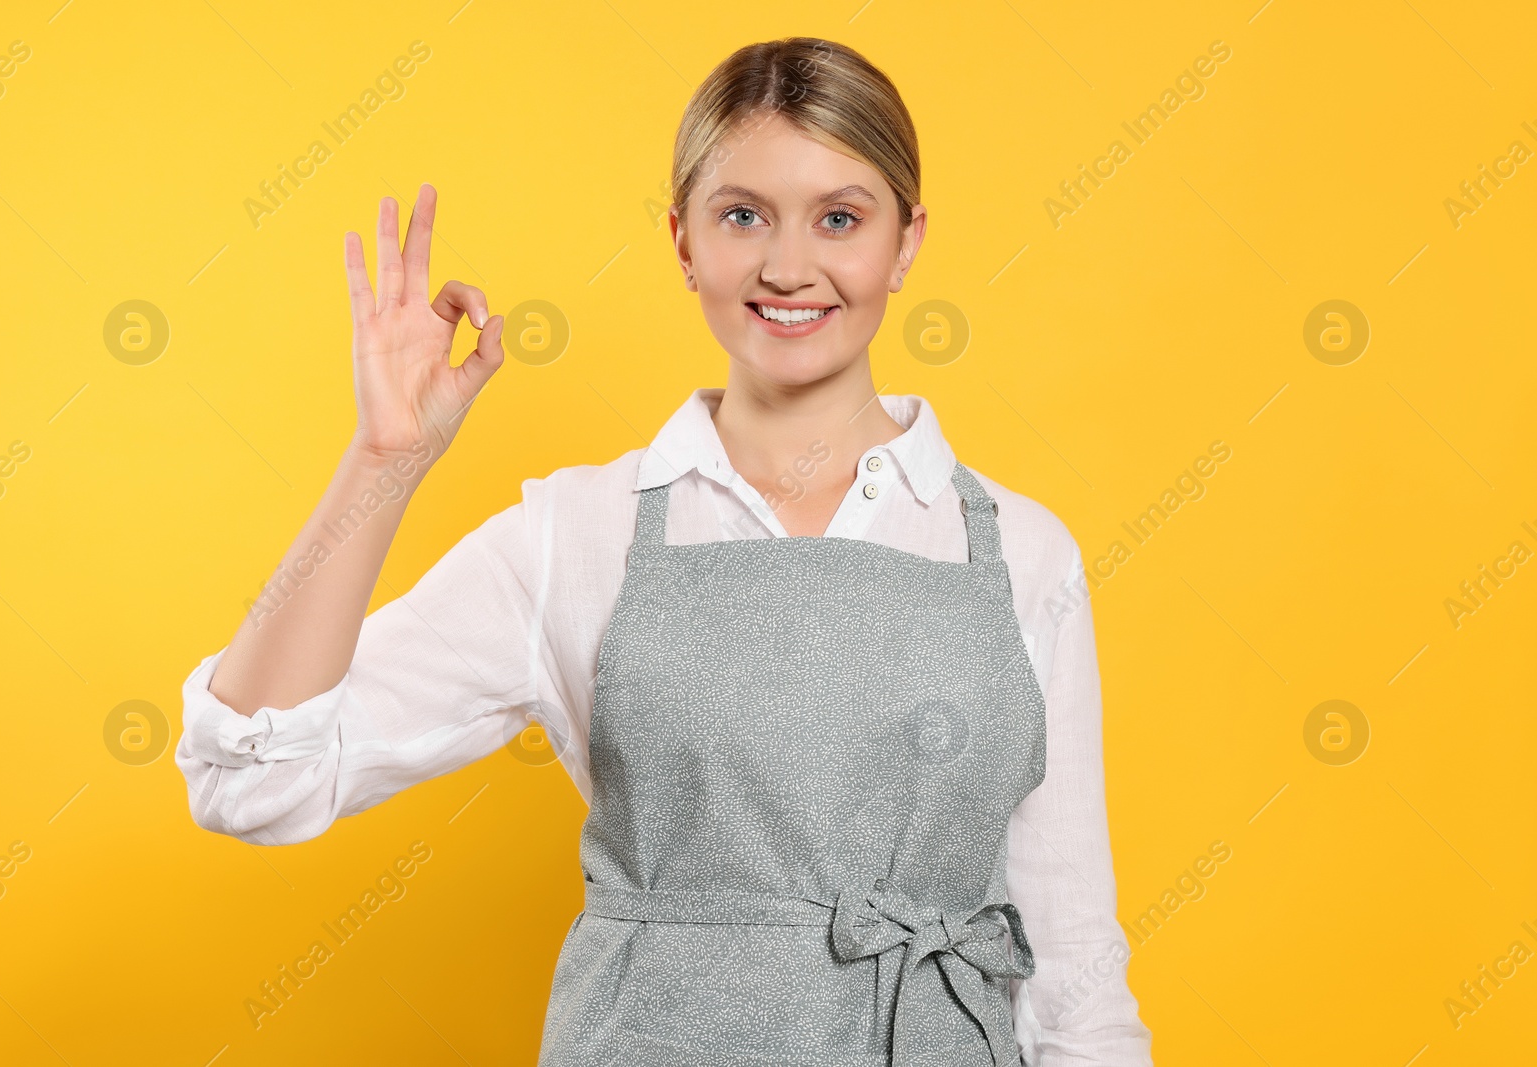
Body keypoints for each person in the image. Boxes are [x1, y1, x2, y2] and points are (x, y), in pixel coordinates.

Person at [175, 36, 1153, 1066]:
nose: (787, 265)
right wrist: (384, 459)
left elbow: (1075, 971)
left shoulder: (1020, 556)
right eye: (741, 216)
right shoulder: (575, 536)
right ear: (682, 240)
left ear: (904, 242)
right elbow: (253, 781)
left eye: (839, 218)